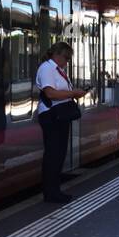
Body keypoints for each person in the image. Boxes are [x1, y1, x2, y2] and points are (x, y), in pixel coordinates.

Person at [36, 41, 86, 204]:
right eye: (66, 57)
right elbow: (50, 93)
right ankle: (51, 193)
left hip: (60, 116)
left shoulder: (57, 70)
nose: (67, 61)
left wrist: (73, 93)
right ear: (57, 55)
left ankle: (55, 190)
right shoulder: (47, 69)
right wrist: (73, 93)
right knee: (53, 154)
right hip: (51, 116)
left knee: (59, 153)